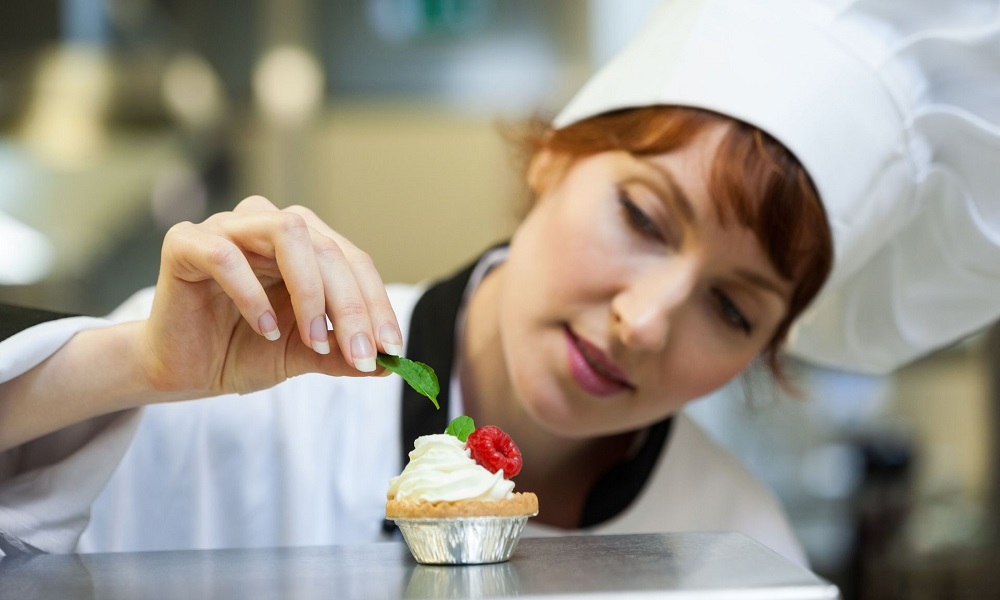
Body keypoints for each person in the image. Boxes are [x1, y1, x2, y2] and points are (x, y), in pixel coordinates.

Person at [1, 0, 997, 566]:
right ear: (549, 158)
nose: (644, 322)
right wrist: (132, 365)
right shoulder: (229, 391)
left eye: (732, 307)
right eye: (645, 218)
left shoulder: (740, 550)